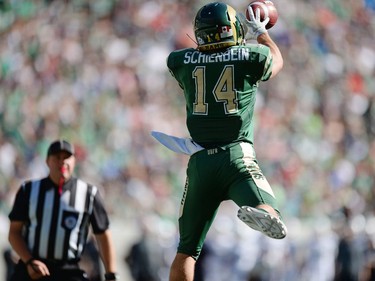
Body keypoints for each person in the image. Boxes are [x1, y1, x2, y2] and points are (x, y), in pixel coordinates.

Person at [160, 2, 288, 280]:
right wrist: (262, 34)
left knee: (187, 251)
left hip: (199, 163)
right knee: (270, 209)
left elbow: (191, 63)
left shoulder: (180, 61)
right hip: (235, 156)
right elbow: (276, 61)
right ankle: (263, 210)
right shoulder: (248, 55)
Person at [7, 139, 118, 281]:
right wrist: (29, 261)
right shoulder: (28, 191)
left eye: (67, 157)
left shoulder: (89, 194)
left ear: (74, 161)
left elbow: (103, 235)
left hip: (68, 271)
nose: (62, 162)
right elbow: (14, 232)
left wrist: (111, 274)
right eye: (57, 157)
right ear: (47, 161)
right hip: (33, 268)